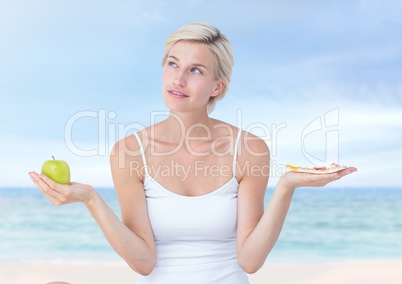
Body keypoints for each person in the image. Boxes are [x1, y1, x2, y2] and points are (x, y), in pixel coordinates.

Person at [29, 22, 357, 283]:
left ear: (218, 87)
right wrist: (90, 198)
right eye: (173, 64)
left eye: (196, 70)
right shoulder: (130, 152)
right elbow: (144, 263)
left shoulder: (249, 149)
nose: (179, 79)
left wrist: (286, 186)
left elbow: (250, 261)